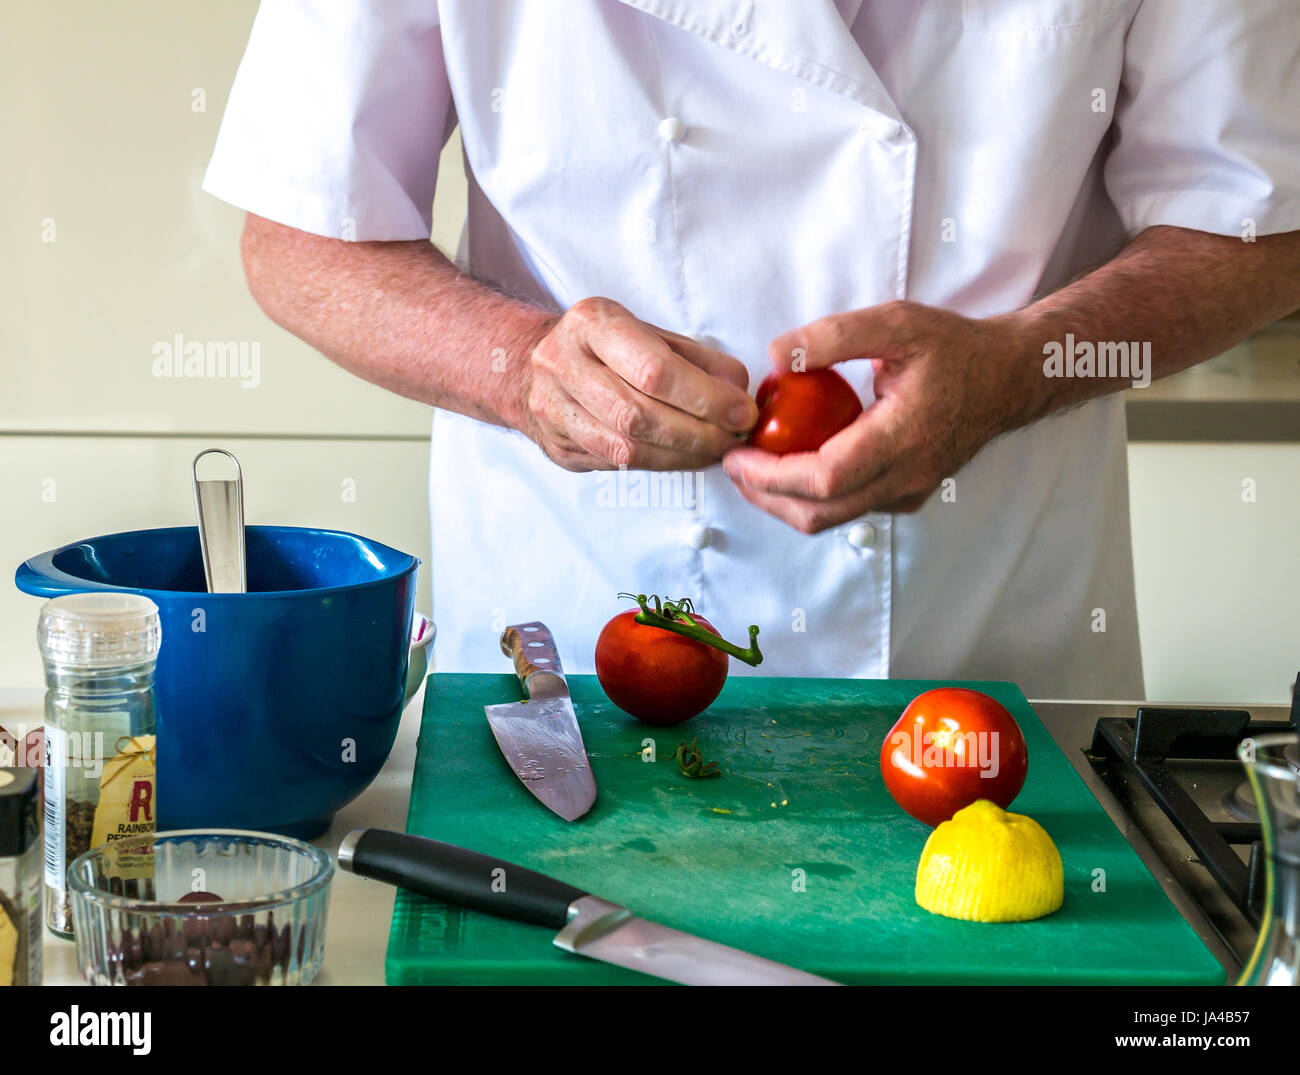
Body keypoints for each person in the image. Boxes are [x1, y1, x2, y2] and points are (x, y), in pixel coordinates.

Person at [204, 0, 1300, 698]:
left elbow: (1257, 221)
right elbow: (300, 227)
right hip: (580, 646)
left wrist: (1019, 367)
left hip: (987, 646)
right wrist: (517, 362)